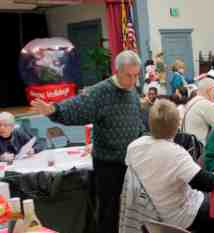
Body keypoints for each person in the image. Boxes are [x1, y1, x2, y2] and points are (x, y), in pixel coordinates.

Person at [31, 50, 145, 233]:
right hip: (108, 165)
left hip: (130, 163)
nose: (133, 81)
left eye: (136, 75)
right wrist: (53, 109)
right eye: (128, 76)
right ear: (117, 71)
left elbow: (136, 121)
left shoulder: (132, 91)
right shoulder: (100, 92)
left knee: (130, 211)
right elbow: (77, 107)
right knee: (109, 212)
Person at [125, 99, 214, 233]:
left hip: (150, 214)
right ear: (177, 125)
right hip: (181, 217)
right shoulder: (175, 153)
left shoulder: (135, 146)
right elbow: (209, 183)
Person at [182, 78, 214, 146]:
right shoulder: (205, 104)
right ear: (209, 91)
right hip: (200, 149)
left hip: (188, 146)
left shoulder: (191, 101)